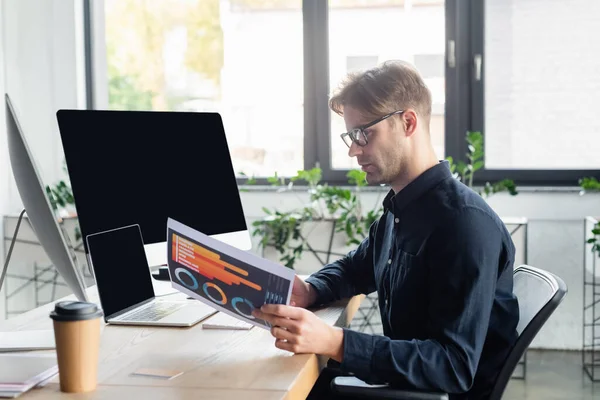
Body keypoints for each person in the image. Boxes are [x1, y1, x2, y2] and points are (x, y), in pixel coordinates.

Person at [252, 60, 520, 400]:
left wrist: (336, 341)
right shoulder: (402, 209)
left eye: (364, 133)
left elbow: (453, 366)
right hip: (405, 385)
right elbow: (356, 267)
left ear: (407, 122)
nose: (353, 150)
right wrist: (310, 289)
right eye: (351, 135)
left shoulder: (463, 224)